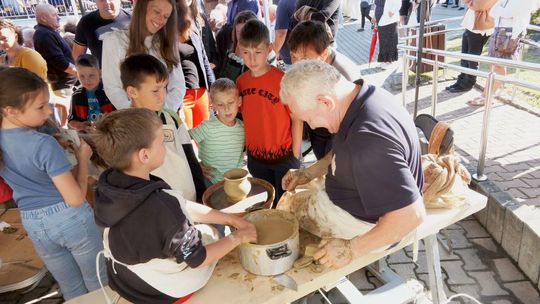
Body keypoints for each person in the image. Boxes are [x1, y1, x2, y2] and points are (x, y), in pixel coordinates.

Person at [92, 108, 257, 303]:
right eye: (162, 142)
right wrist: (238, 237)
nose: (166, 148)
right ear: (144, 155)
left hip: (124, 280)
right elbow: (198, 258)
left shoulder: (109, 183)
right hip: (158, 293)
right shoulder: (162, 207)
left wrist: (230, 218)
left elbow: (181, 205)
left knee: (202, 230)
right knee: (211, 235)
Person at [278, 60, 425, 269]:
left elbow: (411, 215)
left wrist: (351, 249)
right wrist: (308, 174)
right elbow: (341, 150)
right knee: (295, 203)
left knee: (286, 215)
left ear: (325, 102)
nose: (311, 126)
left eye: (309, 119)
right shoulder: (361, 96)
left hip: (372, 225)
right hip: (359, 199)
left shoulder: (367, 140)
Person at [0, 68, 106, 300]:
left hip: (33, 222)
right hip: (68, 218)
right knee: (97, 280)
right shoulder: (43, 143)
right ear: (10, 110)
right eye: (40, 106)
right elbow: (75, 198)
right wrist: (82, 159)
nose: (49, 111)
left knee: (70, 285)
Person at [120, 53, 206, 202]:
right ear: (132, 92)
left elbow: (189, 155)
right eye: (155, 90)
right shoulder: (124, 128)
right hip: (157, 205)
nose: (162, 95)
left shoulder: (171, 118)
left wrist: (201, 193)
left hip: (188, 196)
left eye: (164, 88)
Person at [236, 19, 303, 203]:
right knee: (264, 204)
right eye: (246, 53)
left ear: (269, 48)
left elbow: (297, 119)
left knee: (286, 205)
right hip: (256, 159)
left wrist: (295, 157)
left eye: (257, 52)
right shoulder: (240, 82)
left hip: (285, 158)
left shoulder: (282, 80)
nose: (252, 59)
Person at [288, 20, 360, 160]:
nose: (297, 65)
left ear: (324, 53)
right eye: (294, 57)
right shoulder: (307, 68)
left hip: (340, 136)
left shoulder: (345, 76)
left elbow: (352, 132)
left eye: (305, 59)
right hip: (319, 133)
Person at [102, 0, 185, 112]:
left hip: (166, 117)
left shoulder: (167, 43)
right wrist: (139, 116)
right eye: (157, 12)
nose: (161, 19)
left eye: (166, 17)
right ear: (142, 8)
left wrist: (164, 113)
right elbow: (112, 87)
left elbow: (178, 85)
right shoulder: (114, 40)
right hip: (134, 120)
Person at [468, 0, 539, 106]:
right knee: (494, 65)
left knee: (498, 66)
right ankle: (486, 94)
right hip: (500, 31)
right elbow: (493, 12)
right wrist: (500, 10)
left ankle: (487, 96)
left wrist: (499, 9)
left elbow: (507, 12)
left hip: (509, 34)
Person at [189, 78, 245, 184]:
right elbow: (184, 141)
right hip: (210, 182)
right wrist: (195, 164)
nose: (227, 109)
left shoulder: (243, 127)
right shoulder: (207, 127)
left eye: (230, 102)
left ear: (239, 101)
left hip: (235, 182)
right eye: (220, 104)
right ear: (213, 104)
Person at [34, 3, 77, 126]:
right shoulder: (45, 34)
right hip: (63, 86)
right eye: (54, 15)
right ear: (43, 18)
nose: (58, 17)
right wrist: (81, 74)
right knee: (67, 124)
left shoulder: (46, 32)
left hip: (64, 85)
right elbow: (61, 63)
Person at [177, 0, 216, 129]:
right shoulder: (166, 27)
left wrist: (212, 88)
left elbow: (204, 58)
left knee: (204, 140)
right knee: (188, 141)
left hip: (201, 91)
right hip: (182, 96)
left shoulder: (194, 22)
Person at [445, 0, 495, 93]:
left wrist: (471, 3)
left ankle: (468, 83)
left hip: (480, 28)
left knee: (472, 59)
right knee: (464, 56)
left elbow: (479, 5)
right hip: (470, 25)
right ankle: (461, 80)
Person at [73, 0, 131, 64]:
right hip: (103, 72)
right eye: (101, 0)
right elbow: (78, 55)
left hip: (131, 71)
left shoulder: (133, 19)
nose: (107, 3)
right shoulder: (86, 22)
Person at [68, 54, 115, 131]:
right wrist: (80, 125)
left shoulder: (109, 92)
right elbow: (71, 120)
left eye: (91, 75)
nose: (87, 80)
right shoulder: (76, 96)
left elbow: (120, 114)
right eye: (82, 76)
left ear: (100, 74)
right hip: (87, 136)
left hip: (109, 133)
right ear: (77, 75)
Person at [217, 10, 258, 81]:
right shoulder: (230, 55)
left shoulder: (262, 55)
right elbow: (224, 84)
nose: (243, 36)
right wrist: (236, 59)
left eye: (247, 31)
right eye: (239, 32)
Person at [373, 0, 401, 65]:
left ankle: (389, 61)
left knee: (390, 41)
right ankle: (384, 60)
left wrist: (392, 11)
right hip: (381, 20)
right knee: (383, 42)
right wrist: (374, 15)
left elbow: (398, 3)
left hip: (390, 20)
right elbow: (376, 4)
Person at [274, 0, 296, 68]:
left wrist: (274, 52)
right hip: (313, 53)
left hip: (293, 57)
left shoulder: (284, 3)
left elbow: (281, 33)